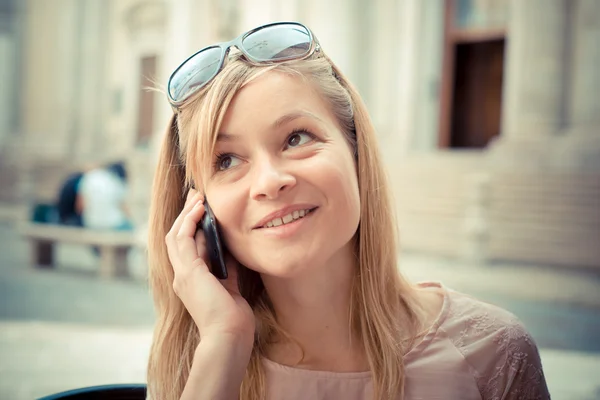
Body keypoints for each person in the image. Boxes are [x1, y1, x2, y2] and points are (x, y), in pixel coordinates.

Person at [146, 22, 550, 400]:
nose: (270, 182)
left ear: (356, 152)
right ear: (199, 212)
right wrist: (223, 344)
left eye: (296, 137)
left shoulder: (493, 354)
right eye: (227, 161)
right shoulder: (198, 361)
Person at [78, 161, 132, 231]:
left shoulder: (88, 177)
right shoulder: (115, 179)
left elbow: (80, 206)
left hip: (91, 223)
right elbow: (122, 206)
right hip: (114, 223)